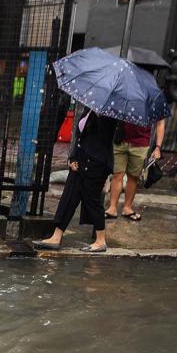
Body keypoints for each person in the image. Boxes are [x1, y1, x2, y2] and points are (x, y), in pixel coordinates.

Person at [33, 108, 119, 253]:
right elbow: (80, 135)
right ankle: (56, 236)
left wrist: (99, 115)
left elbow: (105, 138)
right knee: (69, 197)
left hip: (96, 163)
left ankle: (100, 240)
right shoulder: (88, 109)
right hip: (80, 161)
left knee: (92, 200)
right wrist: (73, 157)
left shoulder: (110, 113)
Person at [105, 118, 165, 221]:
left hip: (141, 143)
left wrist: (158, 147)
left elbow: (160, 123)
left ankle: (127, 208)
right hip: (120, 139)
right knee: (117, 175)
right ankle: (112, 208)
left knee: (133, 177)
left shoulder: (153, 101)